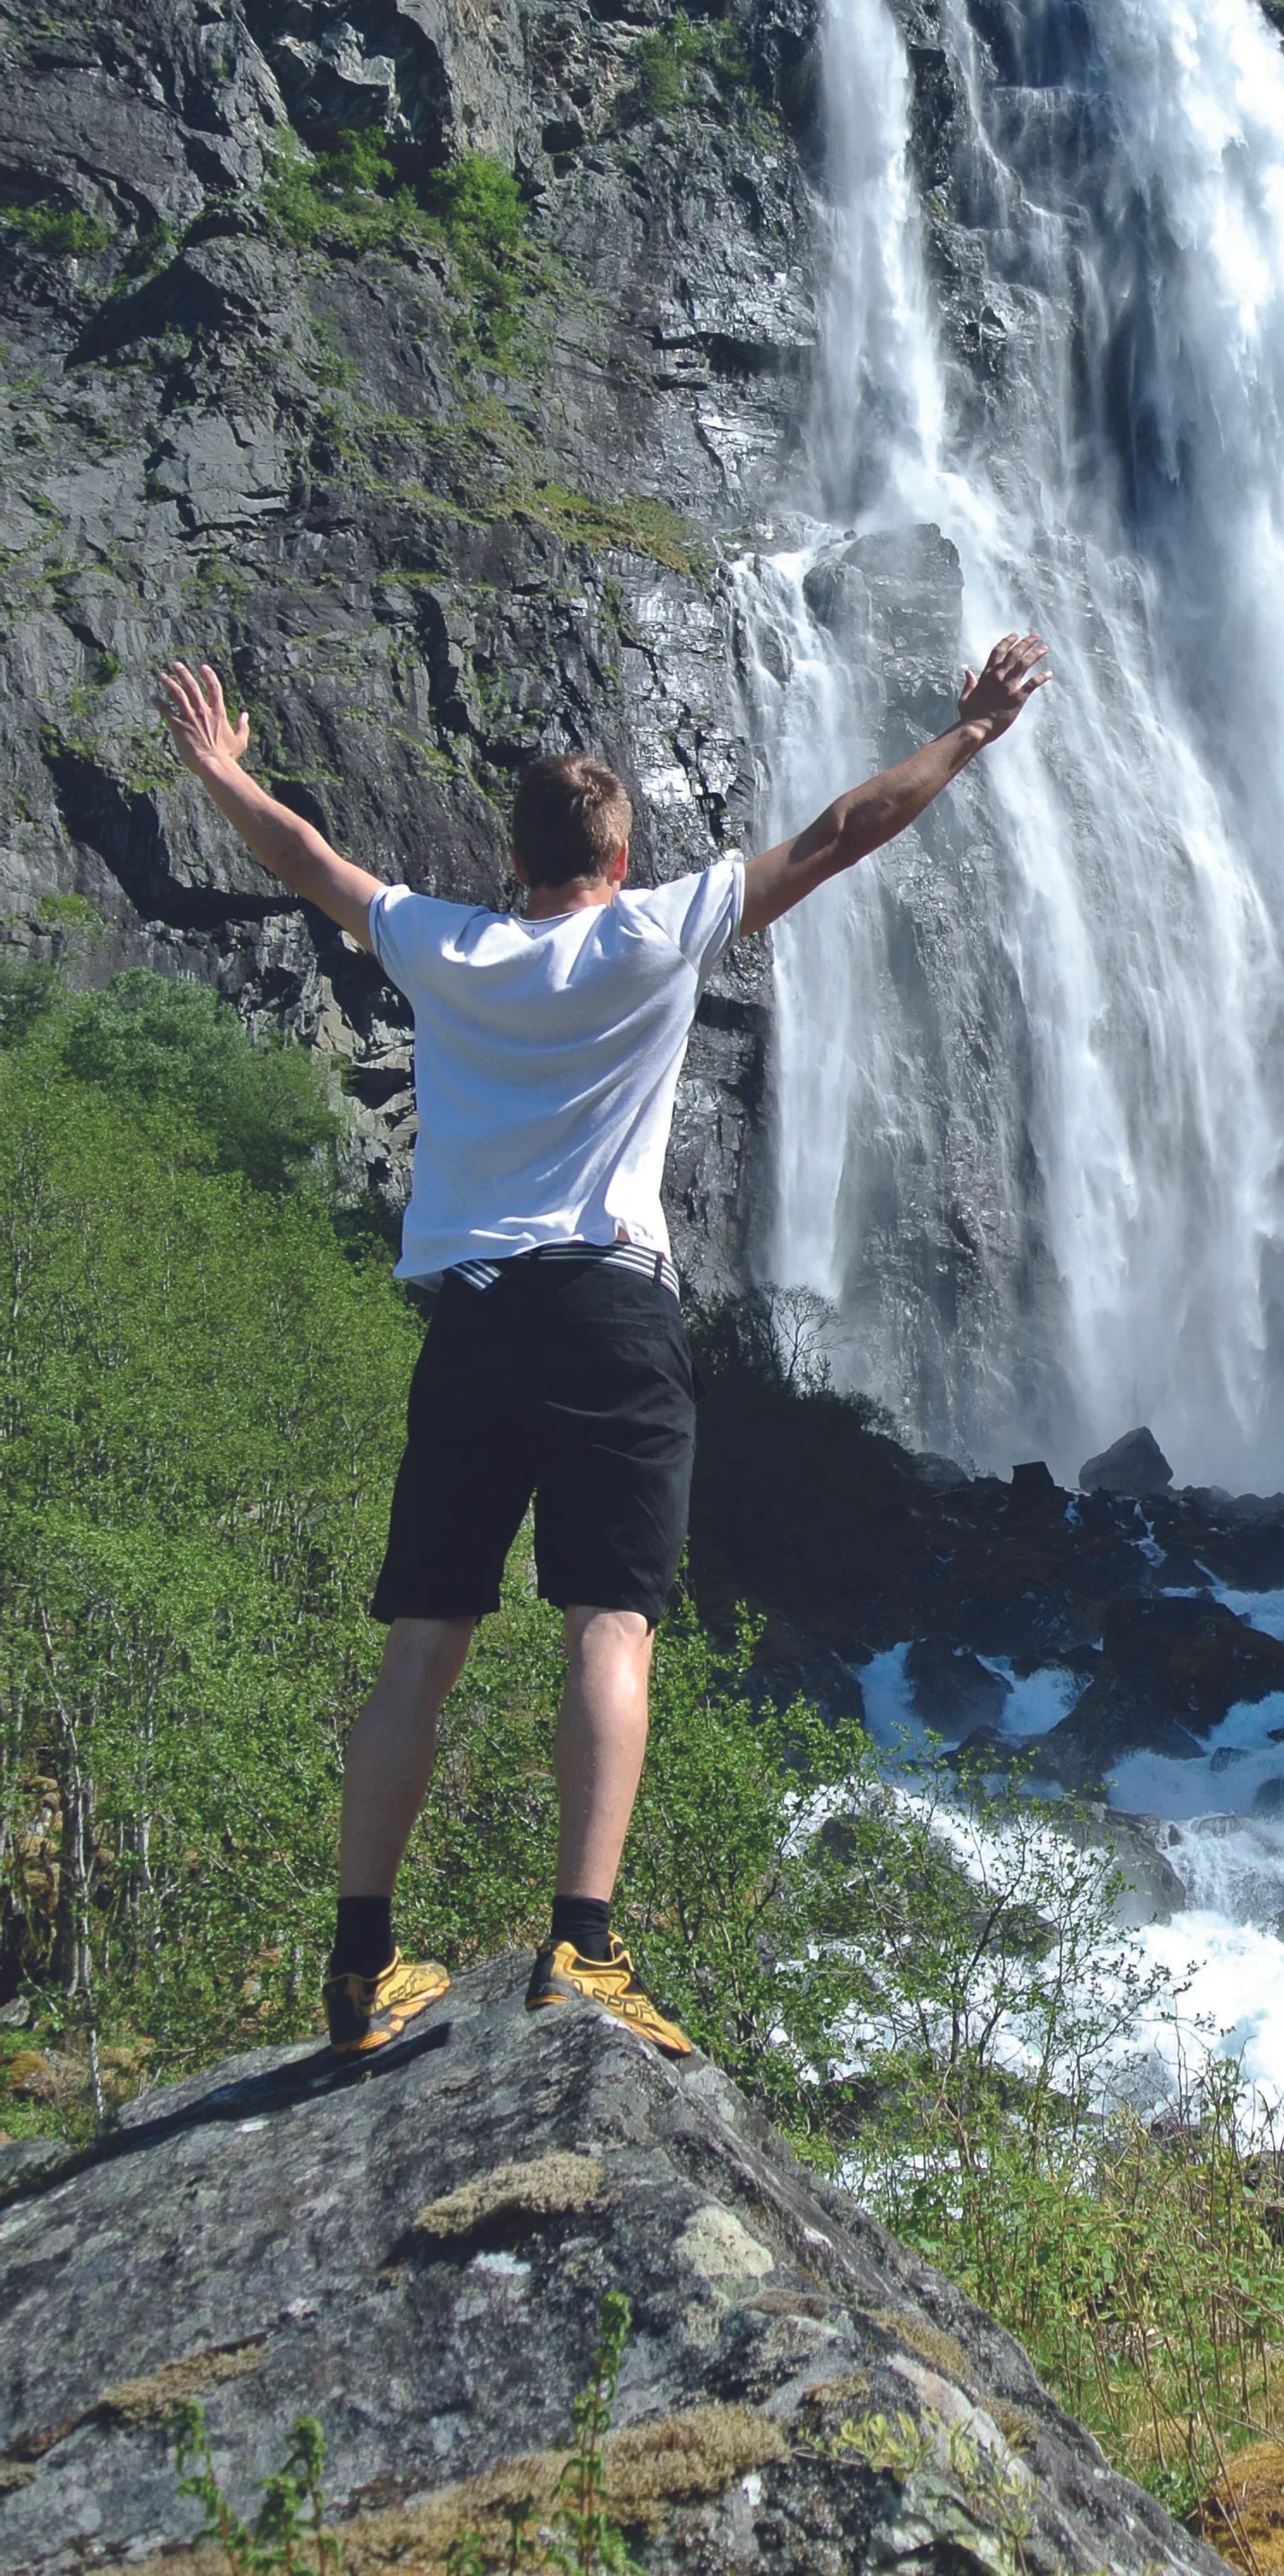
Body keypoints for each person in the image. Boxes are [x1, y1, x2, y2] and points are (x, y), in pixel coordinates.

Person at [156, 633, 1050, 2060]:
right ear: (619, 861)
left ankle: (359, 1962)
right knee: (610, 1622)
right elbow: (838, 832)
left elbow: (309, 860)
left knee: (418, 1651)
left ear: (514, 861)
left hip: (473, 1316)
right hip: (611, 1313)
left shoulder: (447, 944)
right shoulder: (657, 932)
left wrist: (217, 770)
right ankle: (582, 1945)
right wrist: (968, 736)